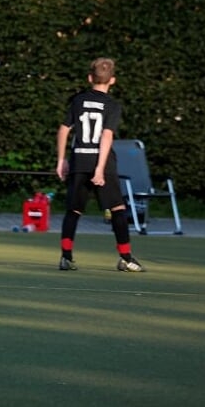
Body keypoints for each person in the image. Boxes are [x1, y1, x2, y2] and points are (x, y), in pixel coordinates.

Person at [55, 57, 144, 272]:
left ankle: (66, 257)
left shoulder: (78, 100)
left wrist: (61, 160)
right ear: (112, 80)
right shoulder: (112, 105)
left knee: (73, 210)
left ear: (89, 78)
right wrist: (100, 169)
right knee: (117, 209)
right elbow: (106, 136)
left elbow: (64, 129)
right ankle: (126, 258)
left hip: (79, 160)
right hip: (101, 162)